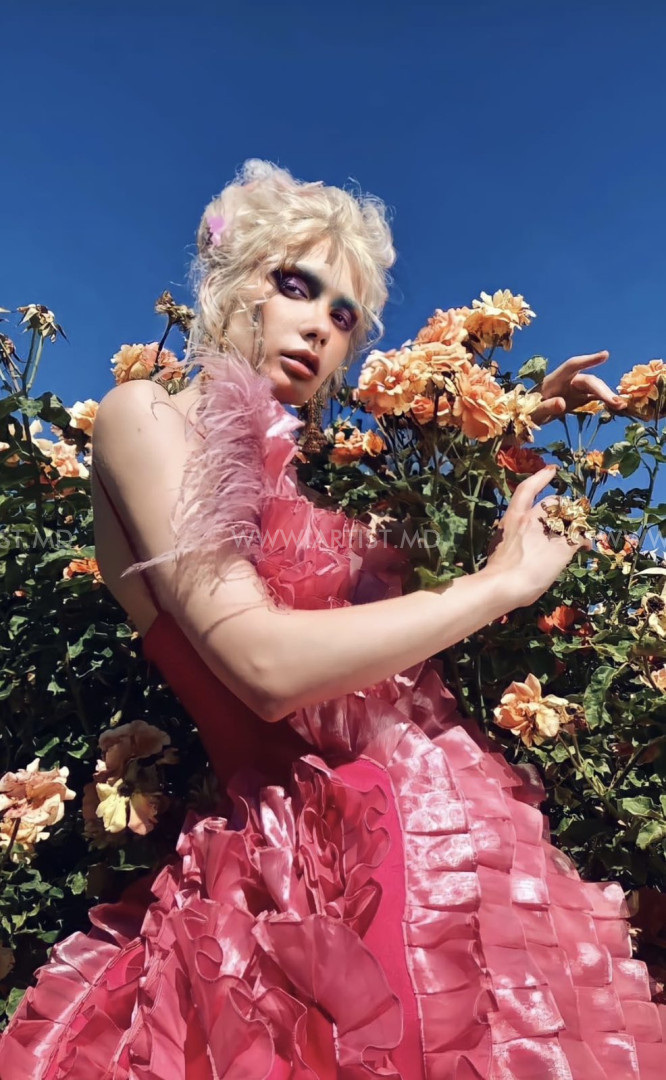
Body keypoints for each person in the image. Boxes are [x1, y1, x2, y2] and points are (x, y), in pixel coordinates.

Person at [0, 158, 662, 1080]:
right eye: (295, 285)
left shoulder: (300, 491)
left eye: (345, 314)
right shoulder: (145, 415)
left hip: (439, 851)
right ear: (234, 281)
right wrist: (500, 588)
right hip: (307, 885)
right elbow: (264, 664)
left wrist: (513, 426)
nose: (319, 324)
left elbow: (390, 600)